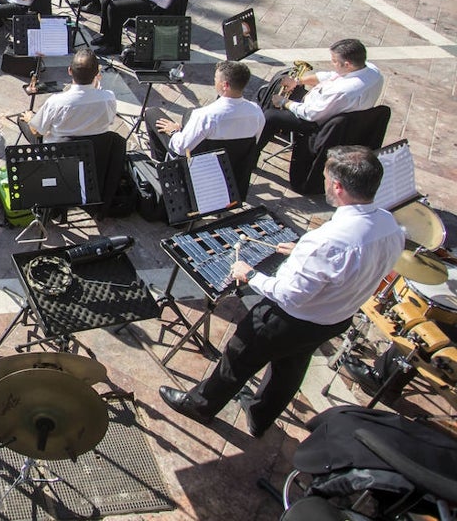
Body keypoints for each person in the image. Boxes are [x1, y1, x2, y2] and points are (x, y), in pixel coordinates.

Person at [160, 146, 404, 438]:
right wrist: (301, 252)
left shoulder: (327, 241)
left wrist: (249, 274)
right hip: (335, 319)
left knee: (238, 357)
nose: (325, 184)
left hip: (288, 320)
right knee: (290, 368)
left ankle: (200, 405)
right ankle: (260, 417)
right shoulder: (391, 225)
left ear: (338, 187)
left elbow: (289, 295)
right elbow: (350, 266)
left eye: (327, 179)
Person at [256, 38, 384, 152]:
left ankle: (253, 154)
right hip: (326, 106)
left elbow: (310, 114)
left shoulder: (342, 90)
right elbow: (330, 76)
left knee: (270, 116)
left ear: (347, 64)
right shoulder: (373, 70)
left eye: (334, 61)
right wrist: (298, 81)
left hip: (317, 123)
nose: (331, 63)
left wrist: (284, 102)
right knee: (288, 88)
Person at [145, 61, 263, 161]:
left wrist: (174, 132)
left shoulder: (205, 116)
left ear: (225, 85)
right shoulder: (257, 112)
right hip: (234, 167)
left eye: (215, 79)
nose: (214, 81)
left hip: (201, 166)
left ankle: (159, 163)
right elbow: (254, 142)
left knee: (151, 113)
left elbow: (181, 149)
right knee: (190, 112)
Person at [29, 48, 117, 143]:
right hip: (94, 154)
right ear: (96, 73)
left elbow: (37, 131)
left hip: (61, 153)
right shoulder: (109, 97)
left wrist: (30, 118)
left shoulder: (55, 102)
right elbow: (110, 121)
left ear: (70, 71)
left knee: (24, 120)